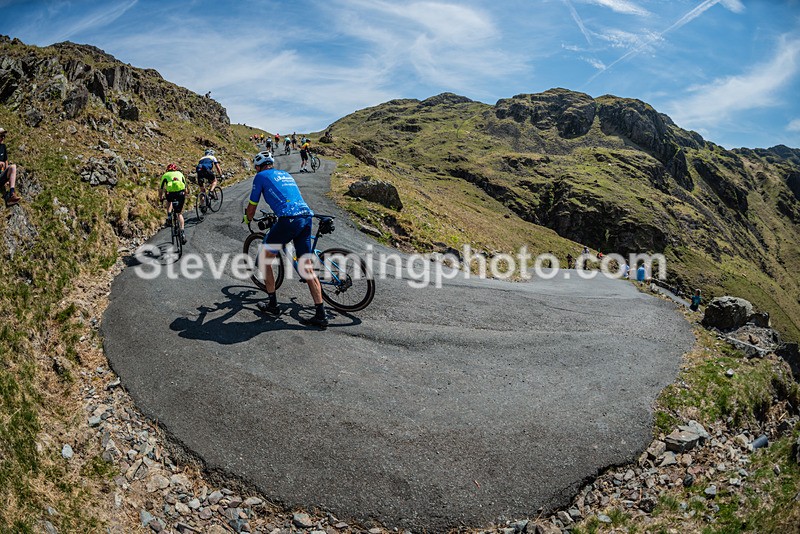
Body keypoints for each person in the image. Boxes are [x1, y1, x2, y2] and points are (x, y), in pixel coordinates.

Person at [243, 151, 328, 328]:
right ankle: (321, 314)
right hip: (306, 216)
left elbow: (252, 205)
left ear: (258, 166)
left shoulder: (260, 176)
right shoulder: (285, 174)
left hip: (289, 219)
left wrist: (248, 218)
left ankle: (273, 305)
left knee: (264, 260)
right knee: (306, 268)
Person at [159, 163, 188, 245]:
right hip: (180, 193)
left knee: (169, 201)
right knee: (179, 213)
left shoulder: (165, 175)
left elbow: (161, 188)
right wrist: (185, 195)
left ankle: (169, 215)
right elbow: (185, 188)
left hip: (170, 193)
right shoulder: (180, 173)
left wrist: (160, 198)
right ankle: (182, 232)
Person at [0, 128, 21, 207]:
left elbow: (5, 161)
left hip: (1, 176)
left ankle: (12, 194)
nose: (3, 138)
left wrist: (7, 178)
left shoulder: (3, 147)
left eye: (4, 136)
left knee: (13, 167)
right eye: (1, 136)